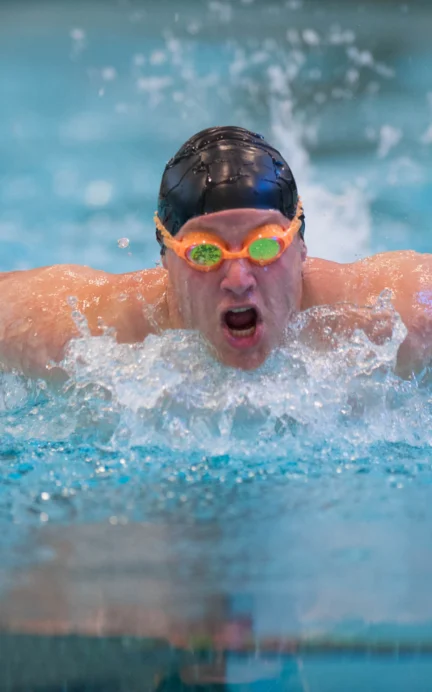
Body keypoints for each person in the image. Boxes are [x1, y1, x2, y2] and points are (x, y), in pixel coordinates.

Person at [0, 125, 431, 380]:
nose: (239, 278)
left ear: (301, 247)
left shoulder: (390, 319)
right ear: (166, 259)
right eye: (205, 252)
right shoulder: (89, 334)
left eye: (264, 246)